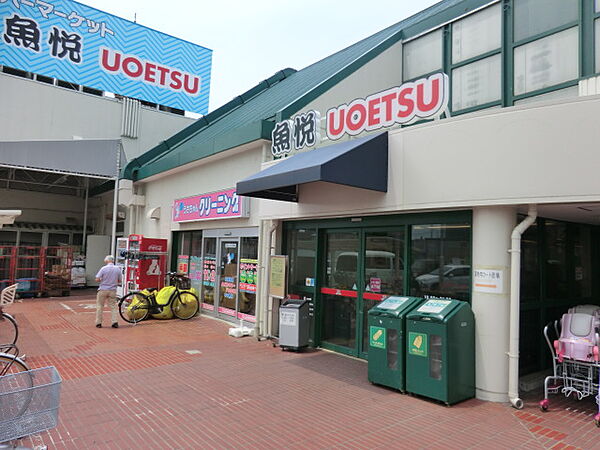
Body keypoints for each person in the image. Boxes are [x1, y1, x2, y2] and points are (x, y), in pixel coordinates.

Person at [95, 255, 122, 328]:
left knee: (100, 306)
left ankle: (98, 322)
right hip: (113, 290)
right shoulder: (117, 269)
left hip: (103, 289)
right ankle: (114, 321)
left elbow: (97, 279)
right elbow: (120, 280)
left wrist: (102, 280)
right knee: (113, 306)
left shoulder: (103, 268)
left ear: (106, 261)